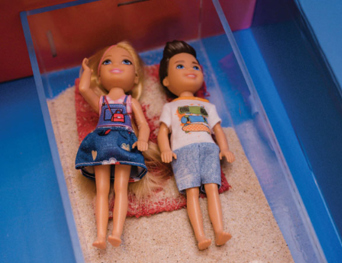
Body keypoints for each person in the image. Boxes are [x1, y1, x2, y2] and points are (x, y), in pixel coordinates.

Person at [75, 41, 157, 249]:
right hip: (101, 144)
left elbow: (143, 125)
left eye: (126, 61)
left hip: (125, 145)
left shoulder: (131, 102)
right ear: (100, 76)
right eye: (108, 62)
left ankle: (117, 233)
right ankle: (100, 235)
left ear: (136, 77)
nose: (116, 65)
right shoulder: (101, 101)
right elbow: (84, 88)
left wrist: (143, 139)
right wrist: (85, 71)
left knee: (120, 188)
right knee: (102, 190)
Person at [157, 40, 235, 250]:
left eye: (195, 66)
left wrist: (225, 148)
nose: (190, 70)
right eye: (180, 66)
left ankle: (219, 231)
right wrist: (165, 149)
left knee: (212, 188)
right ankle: (200, 236)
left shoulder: (207, 106)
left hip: (209, 149)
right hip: (183, 151)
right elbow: (163, 131)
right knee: (191, 192)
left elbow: (217, 130)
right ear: (166, 81)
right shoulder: (170, 107)